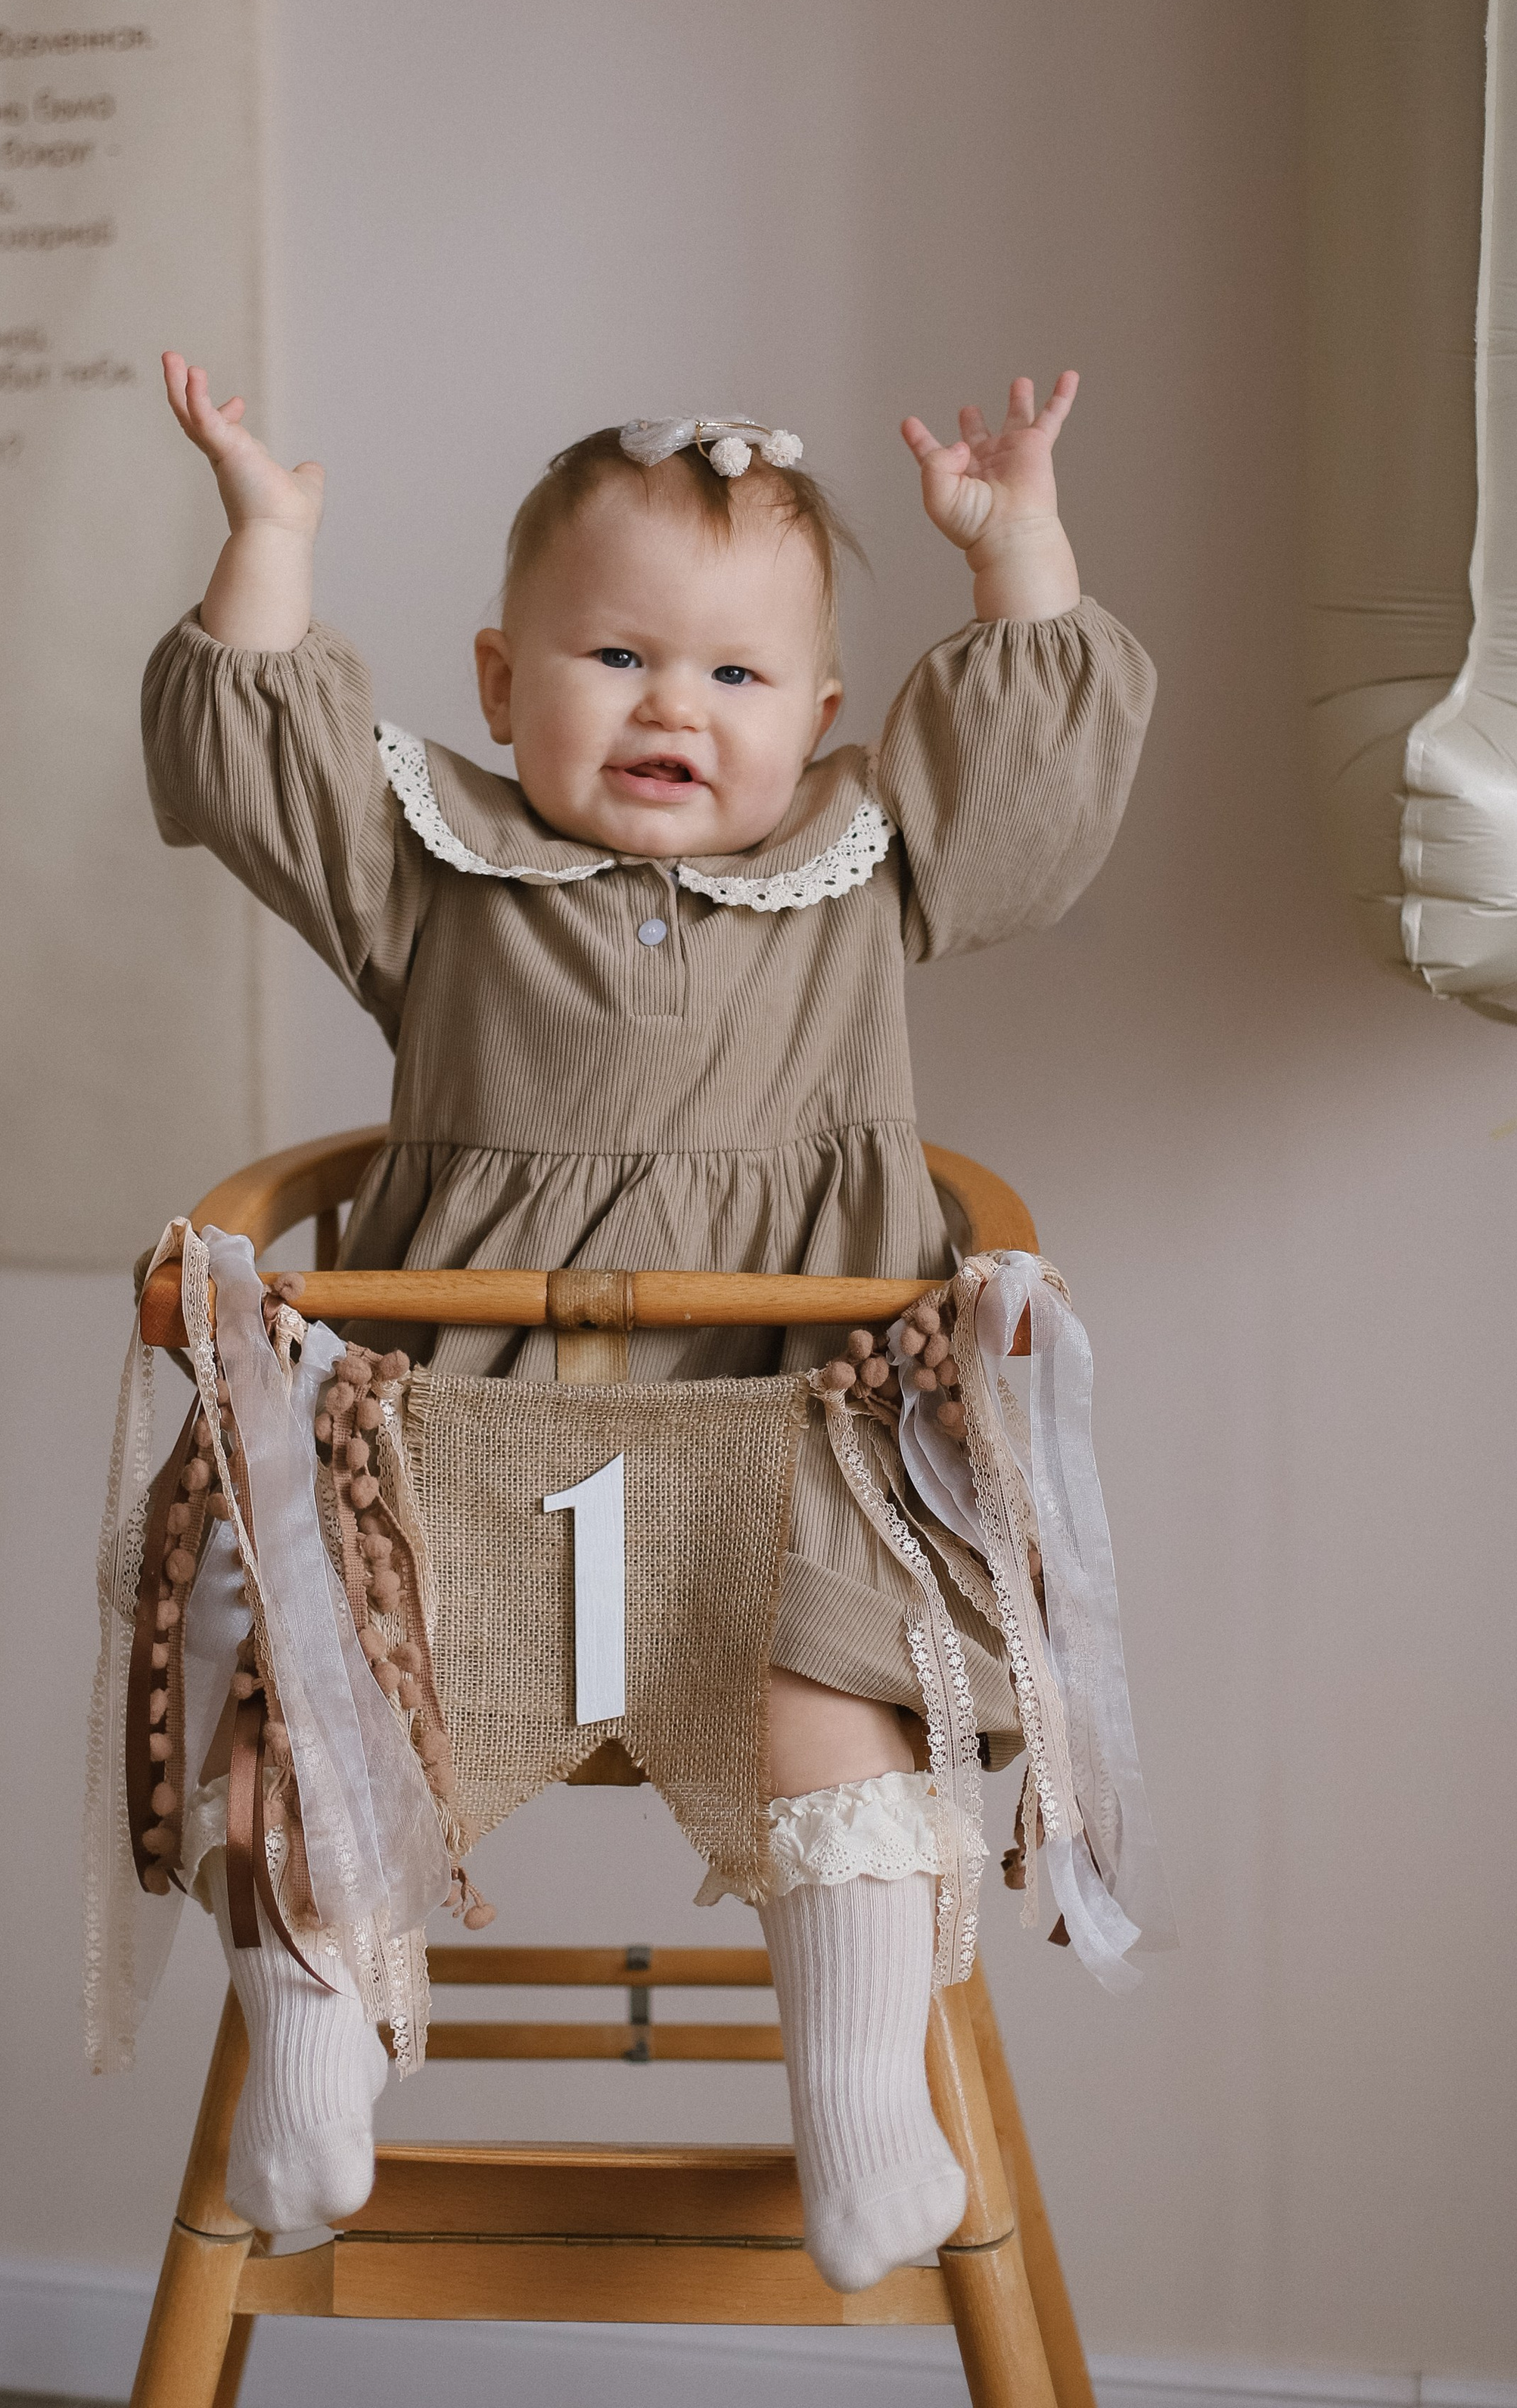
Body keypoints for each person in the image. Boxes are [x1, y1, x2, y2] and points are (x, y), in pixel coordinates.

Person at [141, 362, 1153, 2283]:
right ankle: (312, 2057)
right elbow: (252, 770)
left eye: (737, 676)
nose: (674, 705)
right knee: (307, 1718)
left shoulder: (863, 872)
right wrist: (265, 548)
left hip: (784, 1448)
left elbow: (1028, 803)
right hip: (458, 1438)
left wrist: (1016, 552)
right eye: (612, 656)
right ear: (501, 682)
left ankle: (856, 2101)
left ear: (825, 720)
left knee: (831, 1713)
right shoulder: (434, 870)